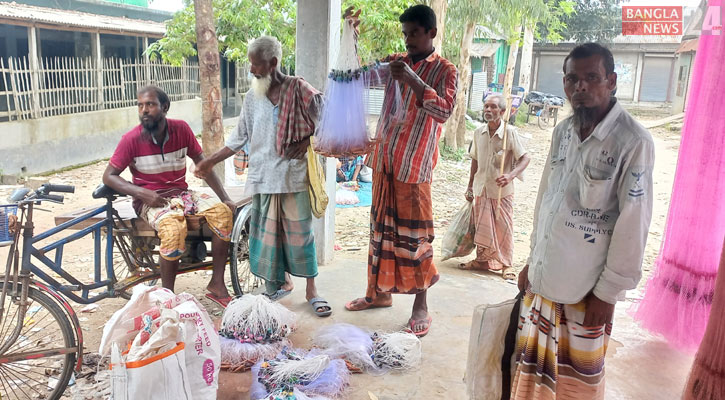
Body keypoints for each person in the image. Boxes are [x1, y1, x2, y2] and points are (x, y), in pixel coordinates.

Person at [513, 43, 654, 399]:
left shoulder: (633, 141)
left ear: (612, 82)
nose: (581, 88)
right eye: (573, 79)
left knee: (576, 387)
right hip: (546, 278)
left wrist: (607, 294)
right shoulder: (562, 133)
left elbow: (633, 223)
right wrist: (533, 260)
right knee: (532, 377)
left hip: (587, 290)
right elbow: (547, 199)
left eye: (592, 78)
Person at [194, 36, 332, 317]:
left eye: (256, 65)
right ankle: (278, 285)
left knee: (300, 237)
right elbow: (239, 137)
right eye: (250, 64)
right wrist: (209, 161)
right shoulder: (252, 97)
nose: (252, 70)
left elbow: (328, 123)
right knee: (267, 239)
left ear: (273, 63)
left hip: (293, 178)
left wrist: (307, 143)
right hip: (262, 177)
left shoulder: (300, 89)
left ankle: (312, 291)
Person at [344, 4, 458, 337]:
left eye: (414, 33)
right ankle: (377, 294)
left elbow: (444, 110)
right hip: (385, 161)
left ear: (431, 33)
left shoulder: (445, 71)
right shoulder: (397, 61)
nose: (407, 40)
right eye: (405, 33)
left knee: (415, 239)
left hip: (414, 167)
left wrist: (411, 78)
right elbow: (362, 76)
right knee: (380, 231)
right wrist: (350, 37)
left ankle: (420, 305)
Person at [102, 85, 235, 307]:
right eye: (140, 105)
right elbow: (109, 176)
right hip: (149, 200)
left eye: (150, 105)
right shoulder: (130, 139)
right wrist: (140, 192)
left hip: (182, 192)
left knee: (222, 213)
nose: (144, 110)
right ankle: (168, 296)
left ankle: (217, 284)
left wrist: (225, 197)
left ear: (164, 107)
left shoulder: (181, 129)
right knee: (173, 229)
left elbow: (203, 165)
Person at [460, 94, 530, 280]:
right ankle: (482, 261)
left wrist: (510, 175)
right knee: (482, 227)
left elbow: (525, 157)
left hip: (501, 191)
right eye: (486, 107)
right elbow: (474, 160)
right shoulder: (478, 133)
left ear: (502, 111)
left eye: (493, 107)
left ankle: (506, 264)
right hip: (481, 188)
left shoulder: (509, 133)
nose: (488, 110)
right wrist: (469, 186)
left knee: (503, 228)